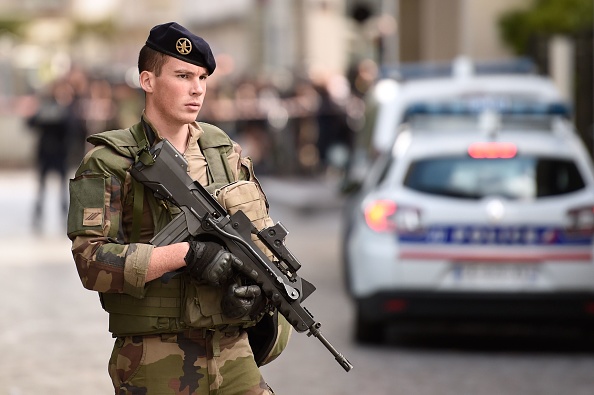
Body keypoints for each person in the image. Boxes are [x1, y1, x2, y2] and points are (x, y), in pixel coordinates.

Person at [67, 22, 291, 395]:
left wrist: (249, 297)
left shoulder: (225, 153)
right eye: (183, 75)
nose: (197, 88)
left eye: (202, 77)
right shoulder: (110, 161)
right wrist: (187, 254)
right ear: (148, 80)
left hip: (232, 352)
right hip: (155, 356)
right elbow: (90, 262)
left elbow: (258, 243)